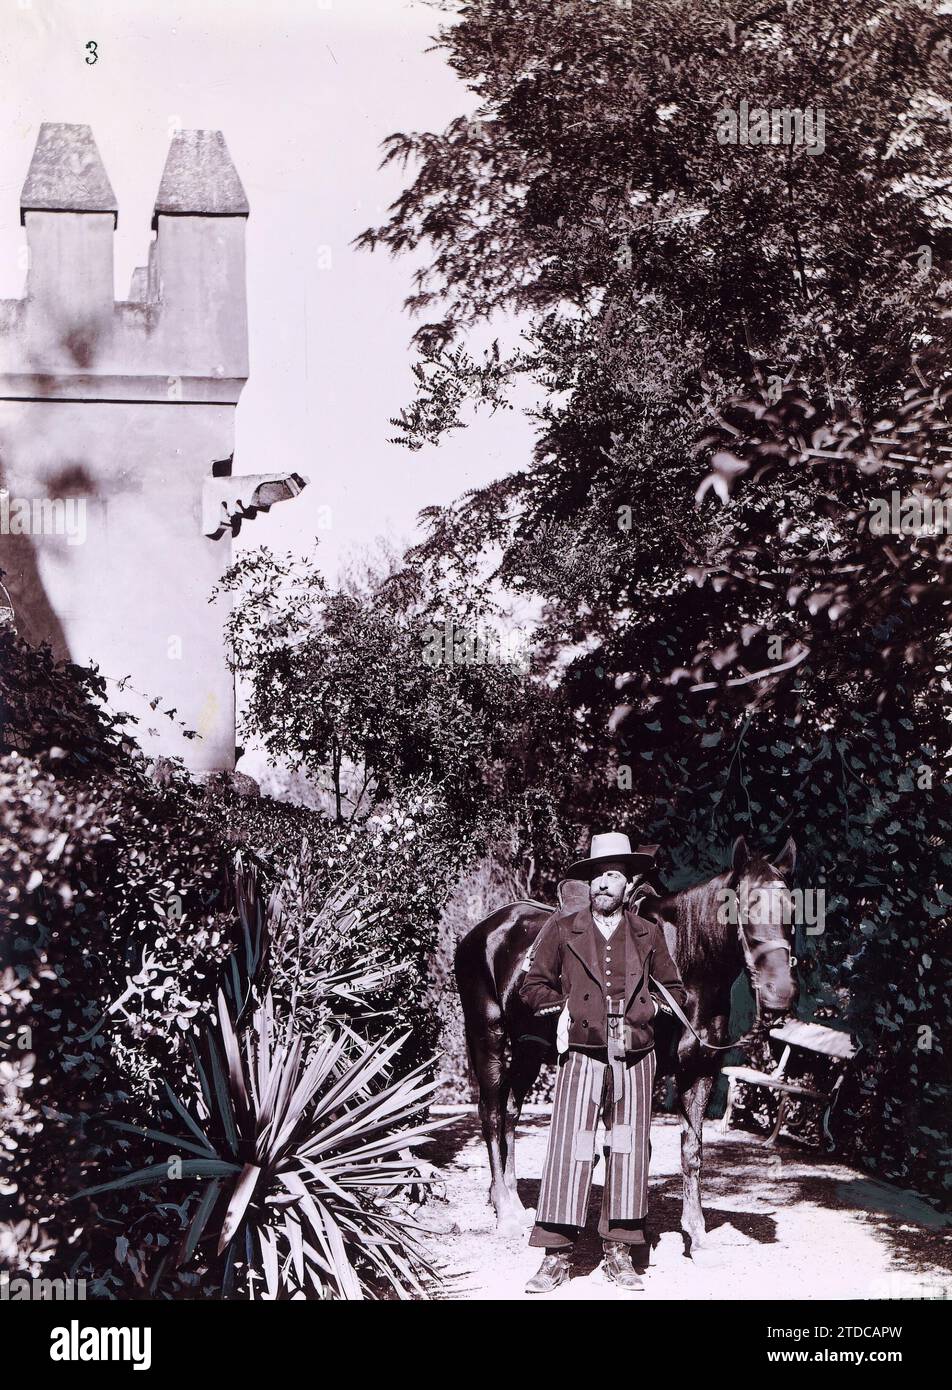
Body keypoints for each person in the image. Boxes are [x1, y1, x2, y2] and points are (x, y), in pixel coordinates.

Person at [519, 832, 687, 1294]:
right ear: (588, 883)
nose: (603, 885)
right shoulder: (562, 927)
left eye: (612, 875)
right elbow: (532, 987)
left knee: (630, 1149)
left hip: (636, 1054)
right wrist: (564, 1007)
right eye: (596, 875)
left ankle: (620, 1251)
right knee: (570, 1147)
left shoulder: (648, 933)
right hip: (581, 1053)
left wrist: (652, 1009)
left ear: (628, 882)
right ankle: (556, 1255)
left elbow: (675, 990)